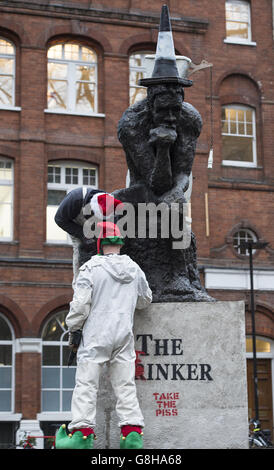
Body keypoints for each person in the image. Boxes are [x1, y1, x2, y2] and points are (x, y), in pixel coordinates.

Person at [55, 221, 152, 449]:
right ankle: (132, 437)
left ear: (100, 243)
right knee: (125, 386)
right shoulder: (134, 269)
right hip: (123, 334)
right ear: (120, 243)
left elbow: (80, 306)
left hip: (96, 334)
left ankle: (81, 436)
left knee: (86, 385)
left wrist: (74, 328)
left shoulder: (91, 268)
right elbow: (145, 300)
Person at [54, 187, 123, 287]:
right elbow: (59, 219)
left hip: (97, 226)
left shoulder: (110, 205)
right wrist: (82, 235)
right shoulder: (73, 200)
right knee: (78, 251)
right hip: (75, 223)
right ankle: (79, 285)